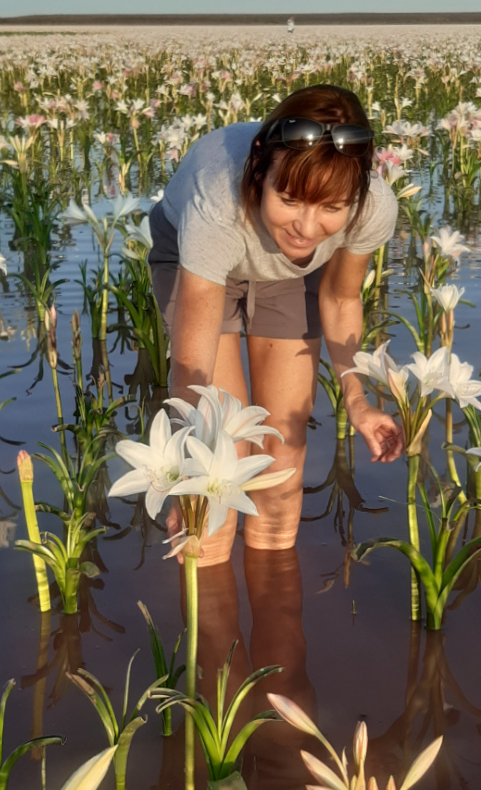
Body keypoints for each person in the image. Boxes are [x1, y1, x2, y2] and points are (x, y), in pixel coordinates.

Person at [148, 84, 404, 566]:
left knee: (280, 445)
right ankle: (213, 604)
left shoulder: (373, 206)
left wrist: (359, 401)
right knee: (224, 448)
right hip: (203, 257)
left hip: (291, 274)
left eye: (331, 208)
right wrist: (192, 471)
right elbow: (191, 363)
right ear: (258, 169)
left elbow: (340, 296)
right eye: (289, 198)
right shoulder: (217, 206)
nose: (307, 228)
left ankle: (275, 603)